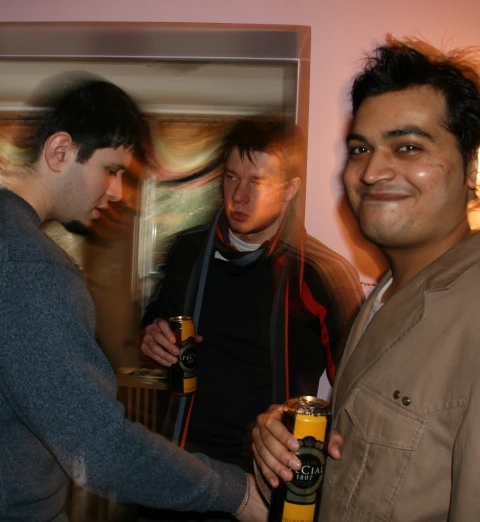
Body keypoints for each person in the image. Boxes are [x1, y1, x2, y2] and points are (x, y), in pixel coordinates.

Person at [0, 76, 266, 522]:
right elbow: (99, 450)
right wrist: (235, 491)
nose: (116, 192)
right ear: (60, 152)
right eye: (111, 170)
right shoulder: (28, 267)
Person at [252, 36, 480, 521]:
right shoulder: (384, 293)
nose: (373, 170)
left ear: (472, 169)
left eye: (408, 146)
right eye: (361, 148)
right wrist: (295, 430)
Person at [138, 119, 363, 521]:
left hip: (265, 486)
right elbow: (157, 319)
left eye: (256, 182)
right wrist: (152, 335)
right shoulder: (188, 251)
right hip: (178, 470)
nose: (237, 196)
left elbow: (359, 392)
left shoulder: (322, 273)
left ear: (289, 189)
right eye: (230, 177)